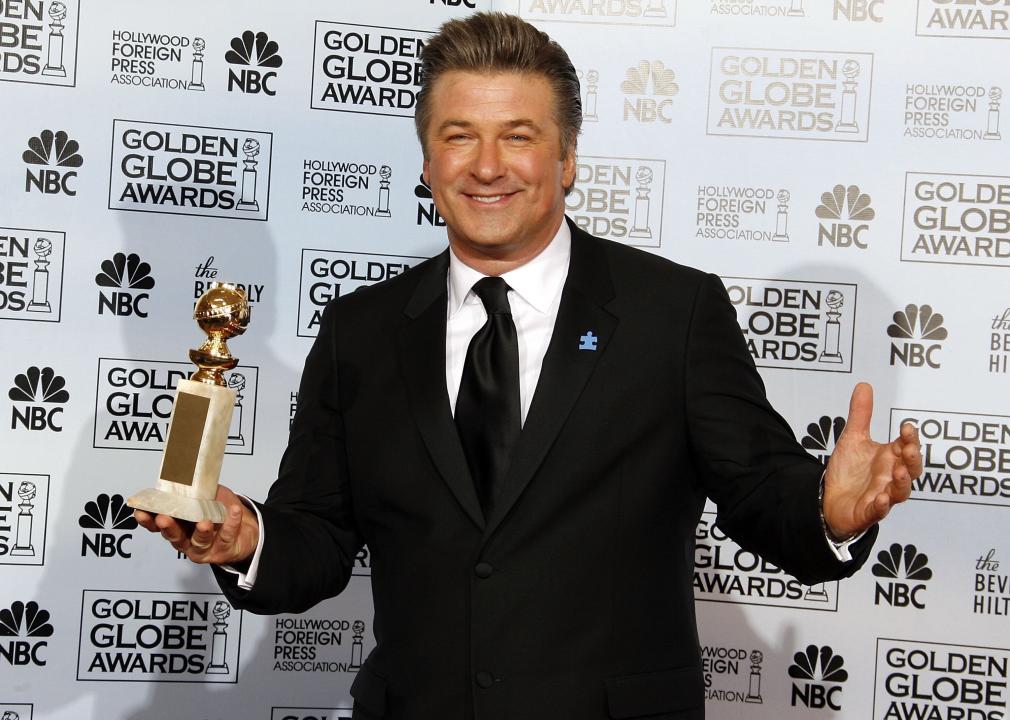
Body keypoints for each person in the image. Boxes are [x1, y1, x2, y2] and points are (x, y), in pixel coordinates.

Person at [136, 12, 921, 720]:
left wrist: (829, 509)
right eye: (458, 135)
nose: (487, 166)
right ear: (425, 160)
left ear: (568, 157)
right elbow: (317, 537)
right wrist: (247, 540)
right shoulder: (360, 330)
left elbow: (758, 493)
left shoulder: (670, 314)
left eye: (518, 134)